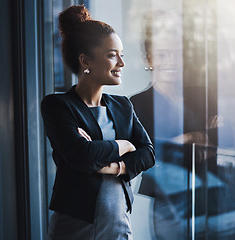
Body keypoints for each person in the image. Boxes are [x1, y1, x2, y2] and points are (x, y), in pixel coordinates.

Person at [41, 5, 155, 240]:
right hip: (74, 229)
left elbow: (148, 153)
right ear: (85, 61)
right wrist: (123, 145)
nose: (121, 63)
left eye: (121, 54)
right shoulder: (58, 106)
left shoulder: (123, 105)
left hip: (118, 226)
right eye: (112, 54)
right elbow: (80, 155)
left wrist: (116, 167)